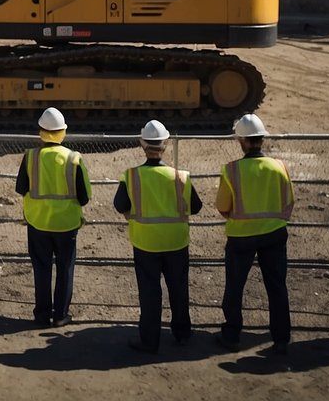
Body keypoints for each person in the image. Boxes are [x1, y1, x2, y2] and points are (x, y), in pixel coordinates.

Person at [114, 120, 203, 354]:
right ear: (165, 145)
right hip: (176, 242)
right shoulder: (181, 176)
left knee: (150, 292)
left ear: (143, 145)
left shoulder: (131, 176)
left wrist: (129, 214)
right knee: (179, 289)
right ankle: (182, 334)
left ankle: (150, 340)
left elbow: (119, 204)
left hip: (146, 243)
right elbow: (196, 206)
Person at [215, 113, 295, 354]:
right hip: (274, 234)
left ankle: (231, 335)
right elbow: (288, 202)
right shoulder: (279, 167)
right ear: (262, 139)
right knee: (277, 286)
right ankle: (281, 337)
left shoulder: (232, 171)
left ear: (241, 140)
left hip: (241, 237)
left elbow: (222, 207)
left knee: (235, 286)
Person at [17, 107, 91, 327]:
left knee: (41, 269)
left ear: (41, 131)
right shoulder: (74, 159)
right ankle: (60, 315)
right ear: (63, 132)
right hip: (66, 225)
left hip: (38, 222)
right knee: (65, 269)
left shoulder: (30, 157)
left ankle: (41, 315)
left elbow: (21, 187)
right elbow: (84, 197)